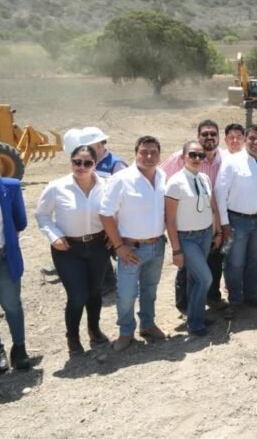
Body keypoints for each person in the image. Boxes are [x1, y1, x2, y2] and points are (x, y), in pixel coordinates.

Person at [35, 145, 111, 356]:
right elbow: (42, 215)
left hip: (98, 245)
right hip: (68, 248)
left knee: (95, 292)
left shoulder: (106, 185)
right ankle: (73, 337)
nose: (81, 166)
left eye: (87, 163)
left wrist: (113, 233)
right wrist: (54, 236)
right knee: (78, 295)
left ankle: (94, 330)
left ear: (95, 164)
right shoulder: (57, 187)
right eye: (77, 162)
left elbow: (115, 211)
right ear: (71, 162)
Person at [100, 135, 167, 352]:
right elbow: (105, 214)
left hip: (157, 245)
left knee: (150, 289)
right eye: (144, 152)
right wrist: (119, 246)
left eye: (153, 152)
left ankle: (147, 324)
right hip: (131, 248)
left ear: (159, 155)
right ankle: (126, 331)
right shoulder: (121, 179)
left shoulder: (162, 176)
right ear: (135, 154)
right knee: (127, 294)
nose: (149, 156)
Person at [161, 120, 227, 313]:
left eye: (213, 134)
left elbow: (213, 205)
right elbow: (159, 178)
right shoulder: (177, 163)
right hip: (186, 230)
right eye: (205, 134)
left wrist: (218, 231)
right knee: (190, 272)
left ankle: (206, 302)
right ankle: (185, 306)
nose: (209, 137)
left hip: (208, 228)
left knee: (210, 266)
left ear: (218, 137)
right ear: (198, 137)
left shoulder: (222, 160)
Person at [214, 124, 257, 317]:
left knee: (253, 260)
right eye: (252, 138)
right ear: (245, 140)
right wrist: (224, 224)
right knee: (234, 262)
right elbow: (220, 194)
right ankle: (235, 300)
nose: (256, 142)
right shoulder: (232, 162)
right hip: (236, 221)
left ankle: (251, 295)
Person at [62, 126, 128, 293]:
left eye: (88, 146)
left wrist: (115, 226)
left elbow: (124, 198)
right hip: (94, 220)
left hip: (110, 220)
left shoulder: (116, 165)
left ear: (98, 145)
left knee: (114, 250)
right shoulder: (89, 162)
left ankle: (113, 283)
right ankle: (104, 281)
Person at [0, 145, 29, 372]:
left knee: (12, 304)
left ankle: (19, 349)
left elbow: (20, 220)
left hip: (5, 256)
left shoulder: (10, 186)